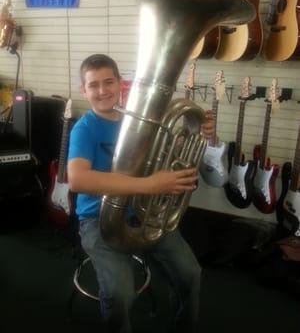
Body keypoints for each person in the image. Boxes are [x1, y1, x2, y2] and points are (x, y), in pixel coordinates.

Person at [67, 53, 215, 333]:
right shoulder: (83, 129)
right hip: (99, 221)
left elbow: (167, 151)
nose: (102, 91)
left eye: (108, 82)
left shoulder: (140, 121)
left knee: (191, 274)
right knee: (120, 294)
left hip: (144, 213)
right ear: (83, 90)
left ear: (120, 84)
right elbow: (77, 179)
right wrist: (150, 185)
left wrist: (197, 132)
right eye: (93, 85)